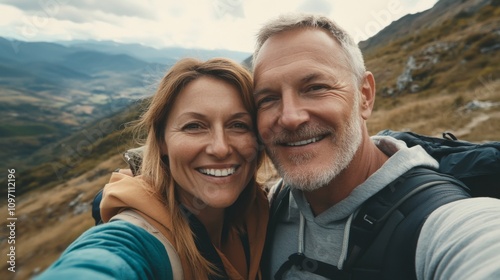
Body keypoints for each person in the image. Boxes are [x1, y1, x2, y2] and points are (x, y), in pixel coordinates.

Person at [252, 13, 500, 279]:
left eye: (315, 88)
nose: (290, 117)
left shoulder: (443, 223)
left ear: (365, 96)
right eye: (268, 98)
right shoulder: (268, 206)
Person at [37, 57, 269, 279]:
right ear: (161, 141)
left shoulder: (264, 214)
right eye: (194, 126)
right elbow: (104, 261)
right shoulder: (139, 237)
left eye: (238, 125)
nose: (220, 148)